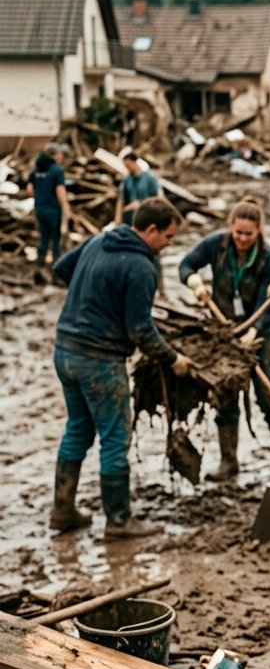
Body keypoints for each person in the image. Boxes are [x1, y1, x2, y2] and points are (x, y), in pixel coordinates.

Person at [52, 197, 194, 538]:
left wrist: (93, 295)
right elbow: (140, 330)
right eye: (168, 237)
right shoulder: (141, 267)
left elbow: (60, 269)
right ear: (150, 230)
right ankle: (118, 520)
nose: (169, 244)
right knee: (116, 437)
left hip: (65, 350)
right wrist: (173, 359)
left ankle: (63, 510)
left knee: (78, 430)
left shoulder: (100, 239)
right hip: (100, 359)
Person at [179, 196, 270, 478]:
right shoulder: (216, 245)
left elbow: (268, 303)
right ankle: (229, 462)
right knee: (226, 397)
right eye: (237, 232)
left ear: (258, 232)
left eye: (248, 234)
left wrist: (253, 331)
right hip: (224, 335)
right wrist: (195, 284)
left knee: (269, 400)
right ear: (230, 228)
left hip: (260, 334)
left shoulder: (269, 258)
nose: (242, 239)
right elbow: (186, 265)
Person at [26, 143, 72, 274]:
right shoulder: (57, 171)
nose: (62, 156)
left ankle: (39, 268)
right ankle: (56, 271)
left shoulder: (36, 170)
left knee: (43, 238)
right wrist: (65, 207)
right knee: (56, 240)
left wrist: (41, 195)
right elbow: (60, 191)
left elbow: (29, 190)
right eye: (60, 154)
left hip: (40, 209)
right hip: (53, 210)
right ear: (54, 155)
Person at [114, 152, 162, 228]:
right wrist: (118, 218)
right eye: (126, 166)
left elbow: (157, 197)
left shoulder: (149, 177)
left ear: (134, 162)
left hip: (147, 216)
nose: (127, 168)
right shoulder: (126, 180)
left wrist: (142, 205)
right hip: (131, 218)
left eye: (128, 165)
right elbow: (121, 199)